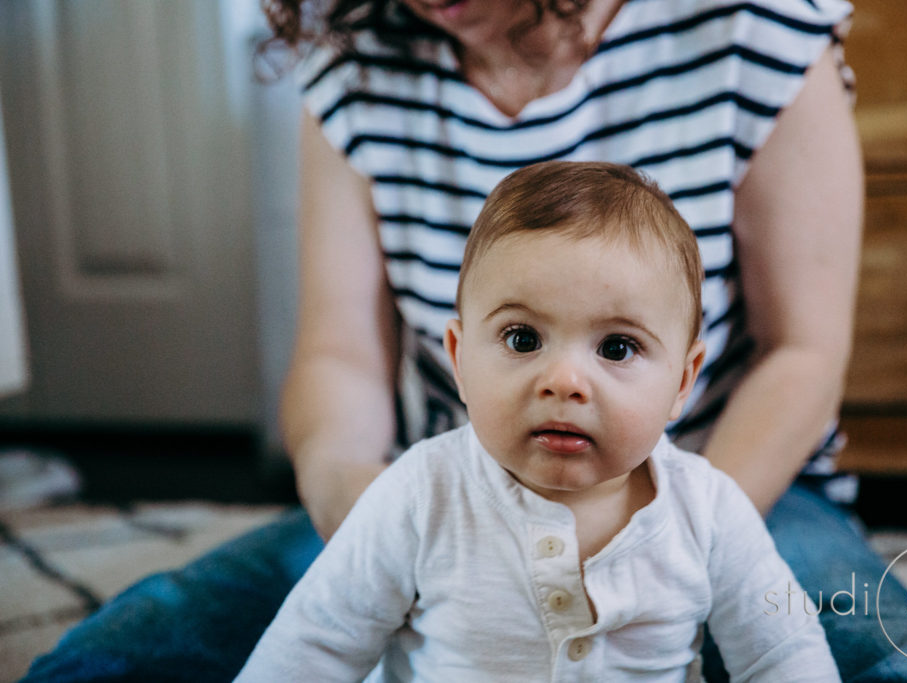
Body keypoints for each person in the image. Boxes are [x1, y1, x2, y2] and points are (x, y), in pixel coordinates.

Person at [22, 0, 907, 681]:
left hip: (741, 477)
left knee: (886, 653)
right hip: (457, 479)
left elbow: (803, 354)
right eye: (524, 337)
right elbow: (340, 355)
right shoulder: (355, 69)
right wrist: (357, 505)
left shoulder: (757, 27)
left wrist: (684, 536)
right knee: (149, 637)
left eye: (612, 348)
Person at [234, 161, 841, 681]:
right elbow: (312, 645)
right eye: (522, 338)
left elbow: (783, 653)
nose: (564, 381)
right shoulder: (420, 495)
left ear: (683, 382)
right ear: (460, 359)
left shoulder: (710, 511)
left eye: (617, 348)